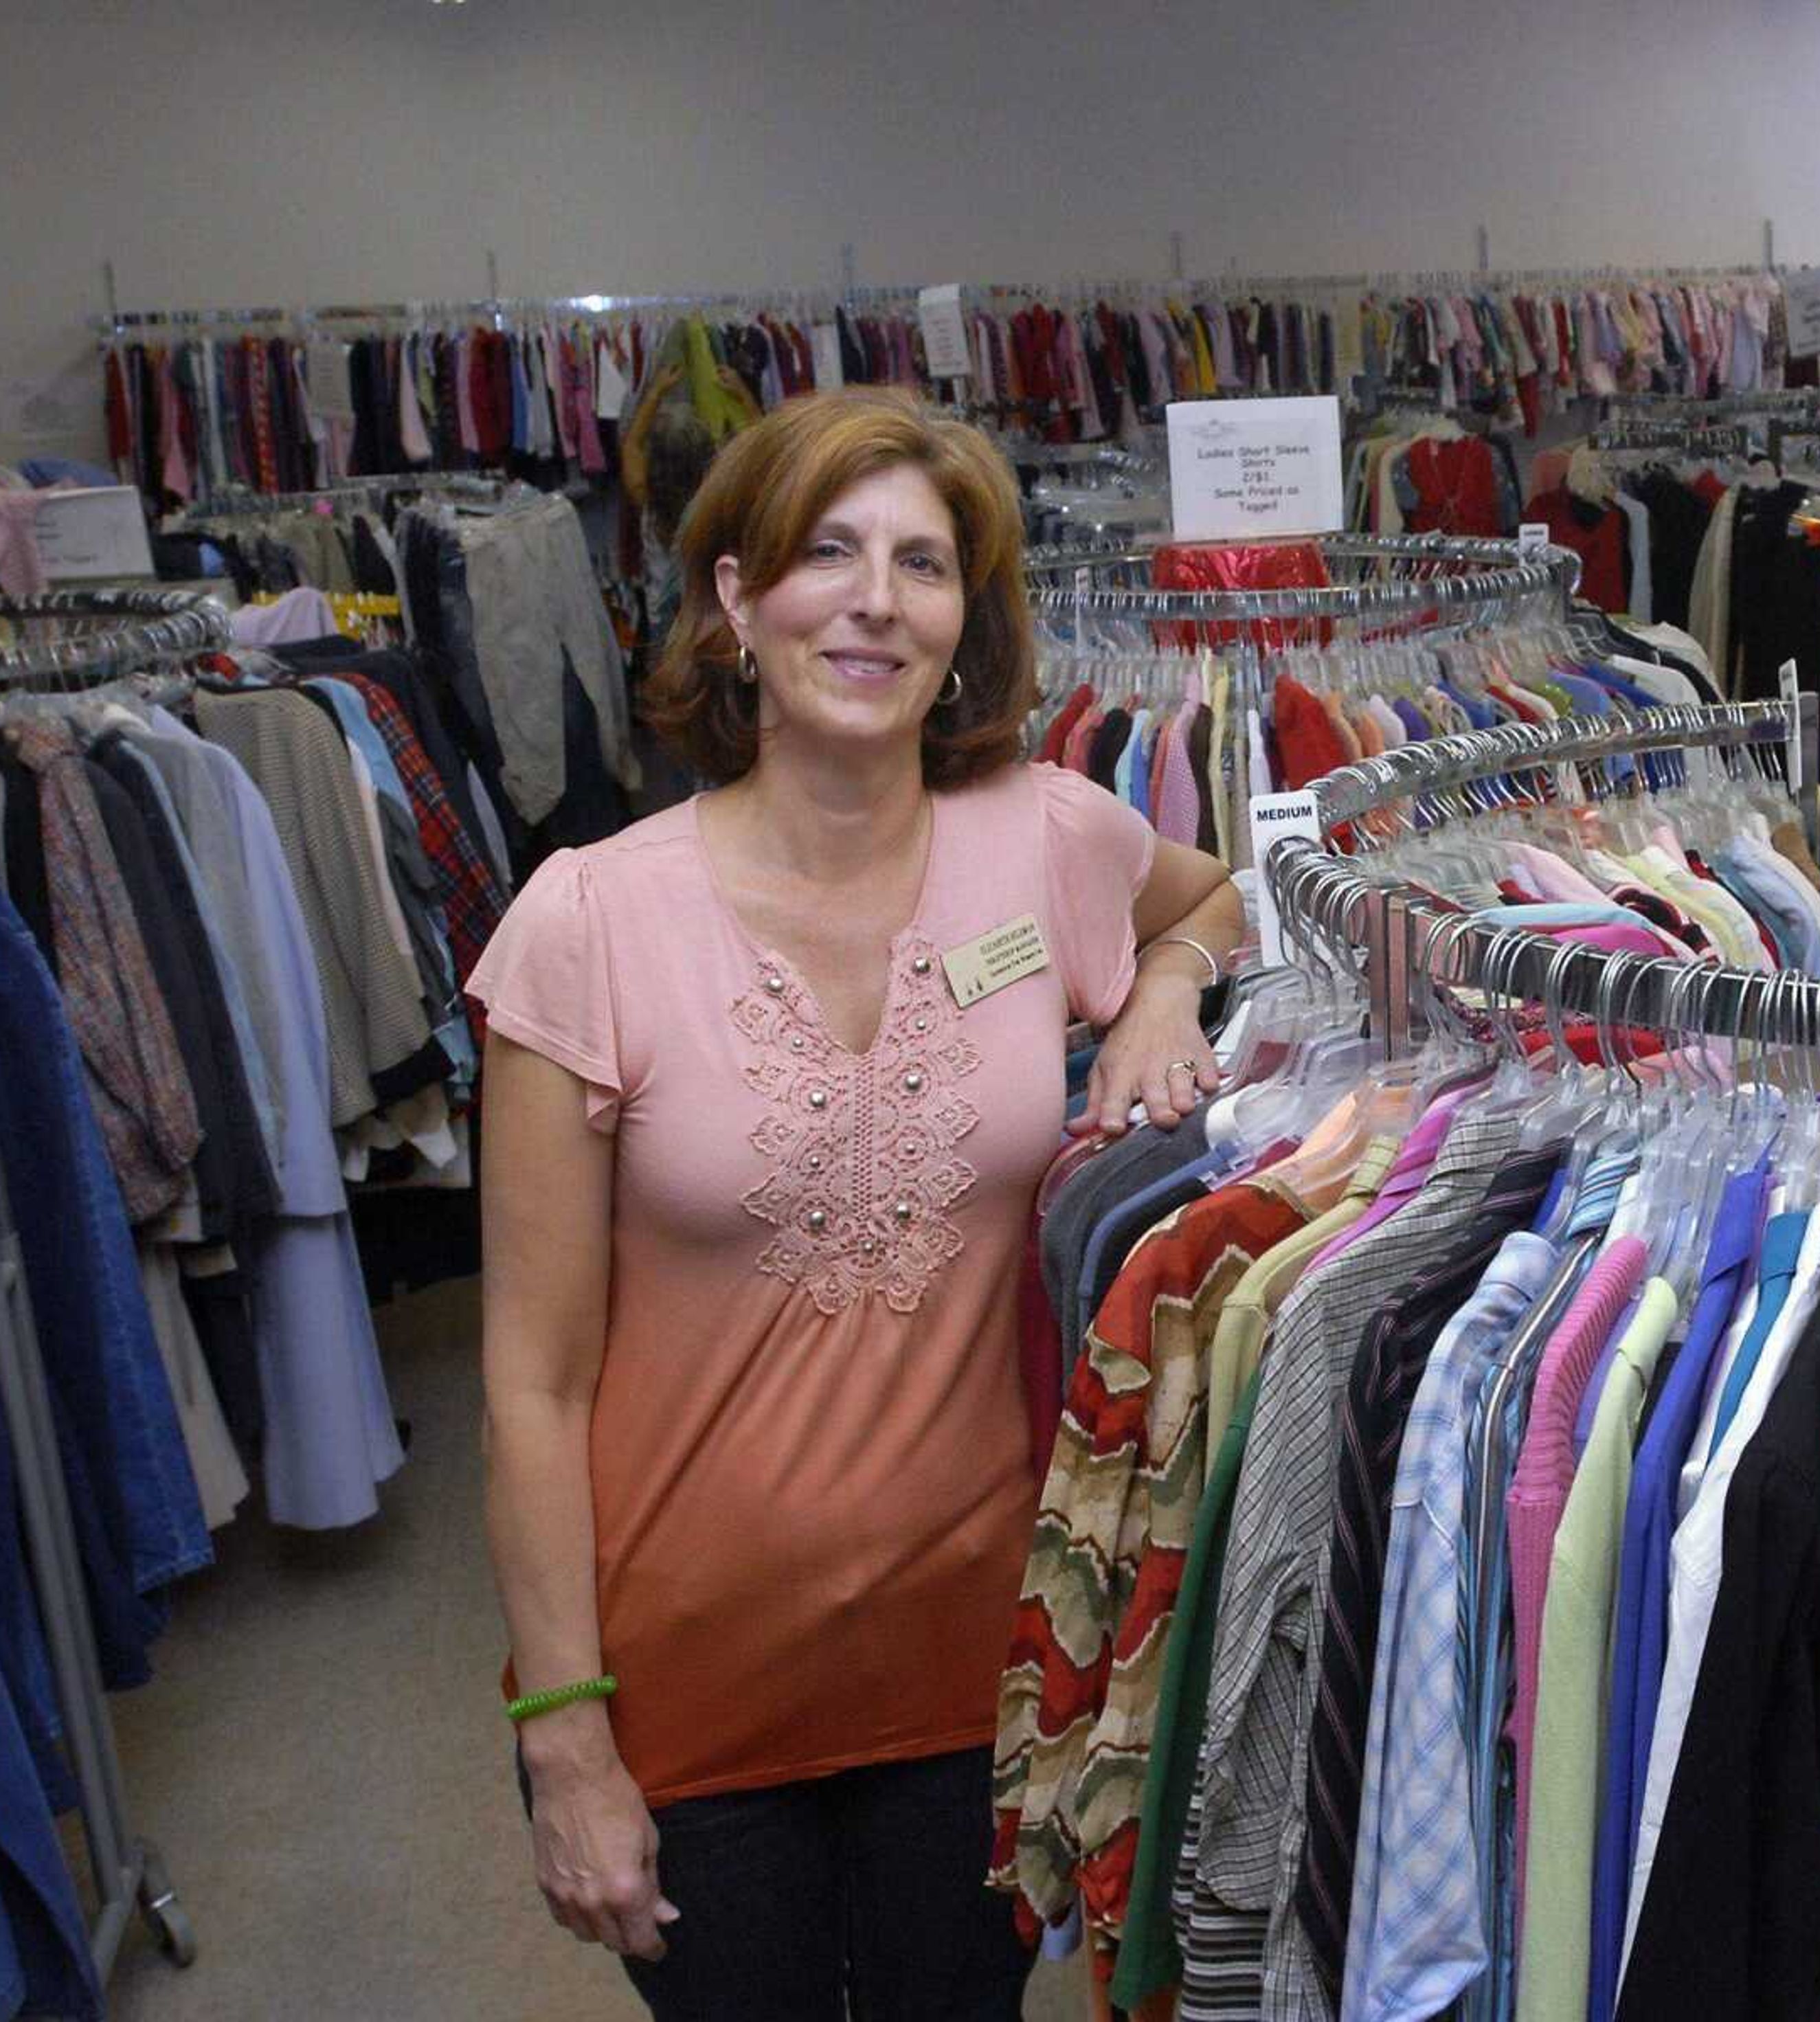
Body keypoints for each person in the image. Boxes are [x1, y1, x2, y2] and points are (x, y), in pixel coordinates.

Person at [471, 387, 1242, 2020]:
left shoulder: (1048, 836)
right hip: (686, 1676)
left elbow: (1233, 896)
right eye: (825, 552)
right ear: (738, 602)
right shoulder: (586, 921)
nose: (876, 599)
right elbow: (530, 1383)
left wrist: (1166, 982)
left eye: (923, 562)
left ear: (966, 622)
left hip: (981, 1662)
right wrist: (563, 1734)